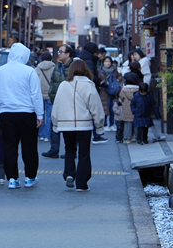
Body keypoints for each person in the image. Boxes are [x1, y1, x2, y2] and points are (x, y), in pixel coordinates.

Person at [0, 42, 43, 189]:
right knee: (29, 147)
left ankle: (12, 178)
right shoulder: (29, 71)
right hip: (27, 113)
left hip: (6, 113)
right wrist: (40, 114)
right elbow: (36, 95)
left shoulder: (1, 71)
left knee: (9, 147)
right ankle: (30, 177)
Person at [51, 60, 104, 192]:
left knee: (69, 150)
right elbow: (96, 107)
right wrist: (99, 126)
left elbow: (56, 105)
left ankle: (69, 174)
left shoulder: (63, 85)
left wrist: (55, 123)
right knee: (84, 153)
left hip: (66, 125)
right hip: (84, 125)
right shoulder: (89, 85)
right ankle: (81, 184)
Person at [42, 43, 75, 159]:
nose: (58, 54)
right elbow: (53, 82)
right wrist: (51, 94)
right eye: (59, 51)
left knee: (68, 128)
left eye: (61, 52)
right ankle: (54, 149)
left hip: (69, 101)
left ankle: (70, 151)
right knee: (54, 125)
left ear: (68, 54)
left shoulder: (74, 66)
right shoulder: (57, 65)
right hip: (55, 99)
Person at [114, 71, 142, 143]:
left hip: (127, 110)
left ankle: (127, 138)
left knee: (127, 124)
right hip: (137, 110)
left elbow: (121, 98)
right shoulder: (140, 90)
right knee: (137, 125)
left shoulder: (123, 90)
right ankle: (137, 137)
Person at [96, 53, 121, 136]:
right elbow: (97, 80)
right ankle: (105, 125)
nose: (107, 63)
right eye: (106, 61)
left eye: (109, 61)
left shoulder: (114, 70)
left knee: (112, 108)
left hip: (113, 91)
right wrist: (101, 82)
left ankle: (112, 124)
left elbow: (120, 76)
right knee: (105, 109)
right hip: (104, 91)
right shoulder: (99, 70)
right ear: (103, 62)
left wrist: (117, 79)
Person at [34, 51, 56, 141]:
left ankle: (41, 134)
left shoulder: (37, 69)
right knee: (49, 116)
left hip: (40, 95)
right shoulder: (54, 68)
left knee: (40, 115)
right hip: (50, 95)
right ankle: (47, 135)